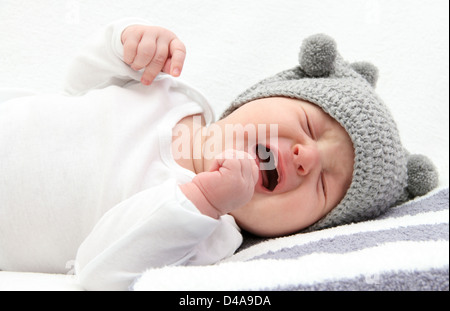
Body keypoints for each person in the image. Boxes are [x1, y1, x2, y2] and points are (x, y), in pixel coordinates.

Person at [0, 18, 438, 290]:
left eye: (324, 185)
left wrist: (203, 202)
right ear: (257, 97)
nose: (306, 157)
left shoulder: (207, 237)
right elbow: (80, 85)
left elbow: (100, 274)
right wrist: (124, 45)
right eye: (308, 126)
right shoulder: (169, 95)